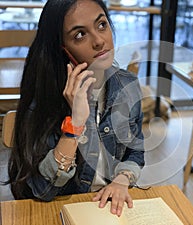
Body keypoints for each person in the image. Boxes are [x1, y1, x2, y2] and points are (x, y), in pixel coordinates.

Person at [5, 0, 144, 217]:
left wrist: (122, 179)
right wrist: (75, 124)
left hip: (109, 210)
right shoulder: (44, 103)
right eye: (80, 35)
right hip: (59, 211)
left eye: (101, 25)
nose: (99, 41)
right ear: (63, 50)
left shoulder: (128, 86)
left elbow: (135, 151)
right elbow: (42, 191)